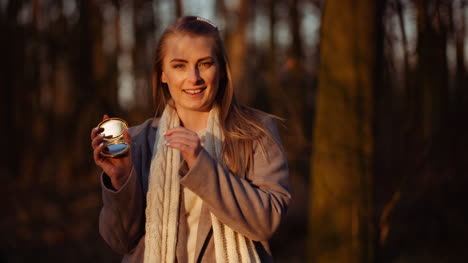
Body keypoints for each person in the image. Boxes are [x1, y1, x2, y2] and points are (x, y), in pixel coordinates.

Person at [90, 16, 291, 263]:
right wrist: (121, 181)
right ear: (162, 73)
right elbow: (119, 241)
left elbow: (266, 222)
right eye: (180, 66)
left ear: (221, 69)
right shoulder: (139, 141)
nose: (193, 77)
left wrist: (202, 166)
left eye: (205, 63)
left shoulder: (256, 132)